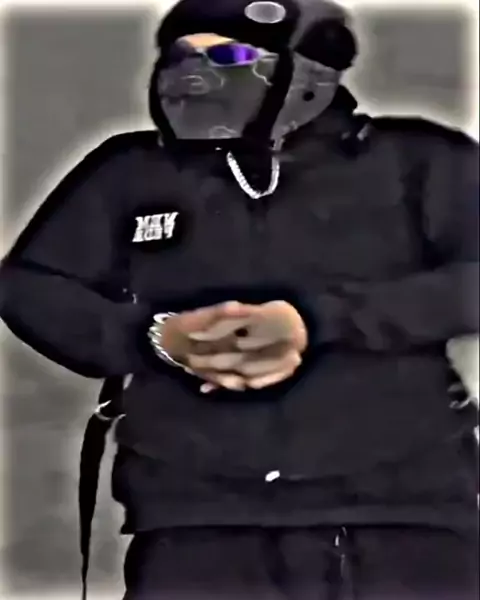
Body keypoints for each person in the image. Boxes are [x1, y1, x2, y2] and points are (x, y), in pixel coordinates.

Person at [1, 0, 478, 598]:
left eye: (230, 54)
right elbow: (29, 286)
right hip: (196, 515)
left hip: (401, 508)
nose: (195, 74)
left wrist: (317, 321)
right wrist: (155, 338)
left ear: (312, 71)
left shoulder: (419, 160)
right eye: (181, 55)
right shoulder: (130, 171)